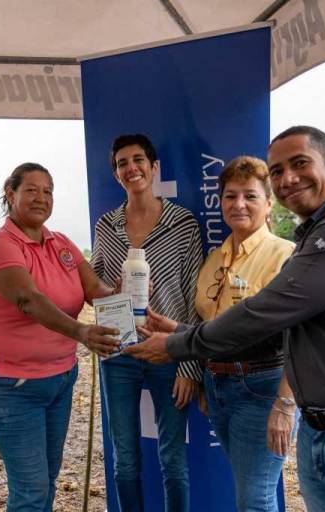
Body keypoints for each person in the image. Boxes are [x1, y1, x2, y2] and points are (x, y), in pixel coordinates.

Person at [125, 126, 325, 511]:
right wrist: (184, 332)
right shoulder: (305, 238)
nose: (288, 179)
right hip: (323, 430)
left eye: (300, 164)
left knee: (255, 498)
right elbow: (291, 331)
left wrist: (178, 345)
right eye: (277, 171)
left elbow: (265, 314)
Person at [148, 156, 296, 511]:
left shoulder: (286, 256)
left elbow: (300, 337)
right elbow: (210, 330)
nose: (238, 205)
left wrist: (286, 404)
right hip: (218, 386)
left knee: (255, 498)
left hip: (262, 388)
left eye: (250, 196)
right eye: (230, 196)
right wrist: (203, 374)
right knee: (249, 490)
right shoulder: (214, 259)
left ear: (269, 202)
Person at [0, 162, 121, 512]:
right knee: (31, 490)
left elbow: (93, 289)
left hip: (60, 378)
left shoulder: (61, 243)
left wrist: (124, 294)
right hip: (11, 383)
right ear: (11, 194)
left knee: (47, 483)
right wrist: (82, 331)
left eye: (48, 191)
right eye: (32, 190)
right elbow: (29, 300)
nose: (42, 198)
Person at [91, 134, 202, 512]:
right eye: (122, 163)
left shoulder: (182, 223)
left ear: (154, 168)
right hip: (118, 350)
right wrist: (113, 289)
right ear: (116, 174)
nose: (131, 167)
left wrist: (189, 363)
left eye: (138, 160)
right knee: (125, 458)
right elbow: (94, 286)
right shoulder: (107, 225)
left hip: (168, 353)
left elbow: (193, 296)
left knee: (173, 458)